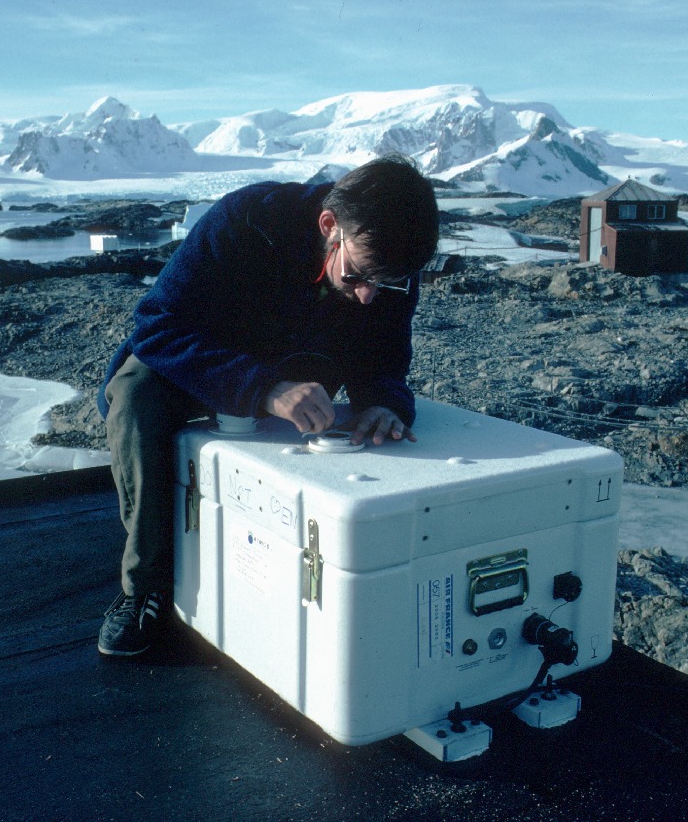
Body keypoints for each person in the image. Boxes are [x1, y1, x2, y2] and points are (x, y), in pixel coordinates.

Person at [96, 154, 439, 656]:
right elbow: (155, 325)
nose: (369, 298)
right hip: (202, 368)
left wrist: (384, 403)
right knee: (135, 392)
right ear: (330, 225)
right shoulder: (248, 220)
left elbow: (386, 358)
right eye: (356, 279)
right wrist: (263, 389)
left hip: (297, 381)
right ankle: (144, 588)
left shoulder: (388, 263)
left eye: (383, 285)